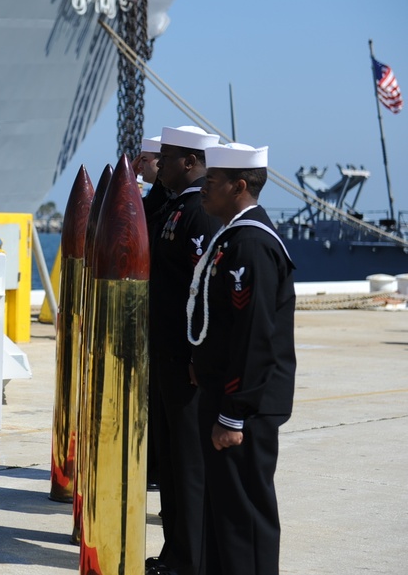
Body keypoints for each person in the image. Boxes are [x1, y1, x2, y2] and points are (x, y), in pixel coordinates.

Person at [188, 143, 296, 575]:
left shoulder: (250, 244)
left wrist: (232, 416)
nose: (203, 188)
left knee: (244, 522)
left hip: (244, 410)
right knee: (223, 518)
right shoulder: (232, 235)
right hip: (226, 401)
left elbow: (255, 339)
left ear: (239, 186)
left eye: (211, 181)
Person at [148, 125, 222, 575]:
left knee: (189, 468)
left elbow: (204, 292)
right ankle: (174, 552)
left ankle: (190, 559)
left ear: (191, 162)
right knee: (171, 467)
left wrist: (200, 354)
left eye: (169, 157)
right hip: (166, 356)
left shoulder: (198, 212)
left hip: (186, 361)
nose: (160, 164)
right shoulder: (173, 206)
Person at [133, 133, 174, 492]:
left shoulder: (174, 204)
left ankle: (159, 468)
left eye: (145, 159)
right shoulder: (155, 199)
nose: (139, 164)